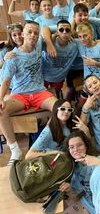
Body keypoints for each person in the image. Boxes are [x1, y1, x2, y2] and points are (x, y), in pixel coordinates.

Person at [0, 21, 57, 165]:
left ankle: (43, 142)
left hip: (39, 91)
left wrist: (49, 43)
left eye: (35, 33)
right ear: (22, 35)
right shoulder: (13, 56)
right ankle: (15, 150)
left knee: (60, 107)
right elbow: (6, 83)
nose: (32, 35)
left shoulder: (39, 45)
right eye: (29, 32)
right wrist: (0, 98)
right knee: (1, 110)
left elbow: (46, 27)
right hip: (20, 95)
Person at [42, 20, 80, 97]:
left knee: (58, 93)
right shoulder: (48, 41)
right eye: (61, 30)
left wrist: (98, 42)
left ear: (71, 32)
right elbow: (44, 28)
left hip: (59, 78)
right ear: (57, 32)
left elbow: (88, 42)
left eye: (67, 30)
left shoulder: (75, 44)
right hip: (44, 77)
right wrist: (49, 44)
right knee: (44, 94)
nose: (64, 32)